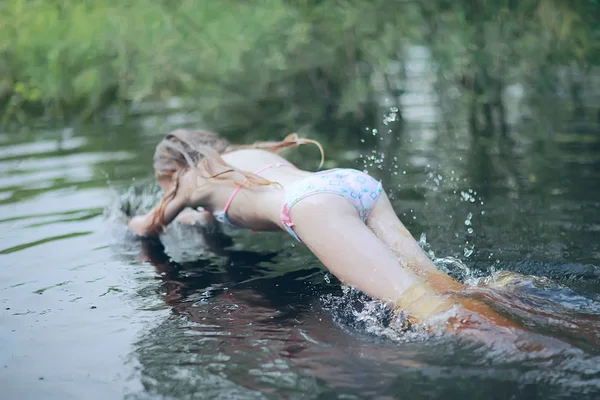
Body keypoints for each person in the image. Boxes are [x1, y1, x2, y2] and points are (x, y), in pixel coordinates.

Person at [128, 129, 529, 340]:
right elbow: (215, 211)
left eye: (165, 184)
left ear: (172, 172)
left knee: (421, 306)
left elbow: (147, 225)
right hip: (352, 185)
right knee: (440, 283)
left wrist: (125, 216)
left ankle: (527, 348)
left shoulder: (189, 181)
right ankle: (509, 292)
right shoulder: (243, 157)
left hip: (311, 206)